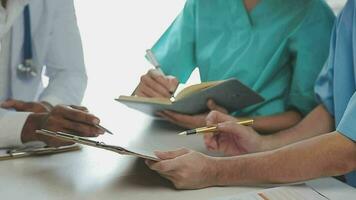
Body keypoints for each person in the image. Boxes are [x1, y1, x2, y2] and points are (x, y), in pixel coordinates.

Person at [146, 0, 356, 189]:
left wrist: (216, 171)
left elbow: (347, 149)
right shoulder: (350, 13)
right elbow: (328, 113)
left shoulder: (310, 13)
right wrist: (262, 145)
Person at [134, 0, 335, 132]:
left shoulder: (310, 12)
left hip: (275, 145)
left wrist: (227, 125)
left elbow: (312, 118)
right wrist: (151, 89)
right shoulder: (202, 5)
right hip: (206, 138)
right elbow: (162, 80)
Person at [0, 0, 104, 148]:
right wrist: (28, 125)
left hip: (26, 154)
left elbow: (70, 73)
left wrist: (48, 107)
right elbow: (30, 126)